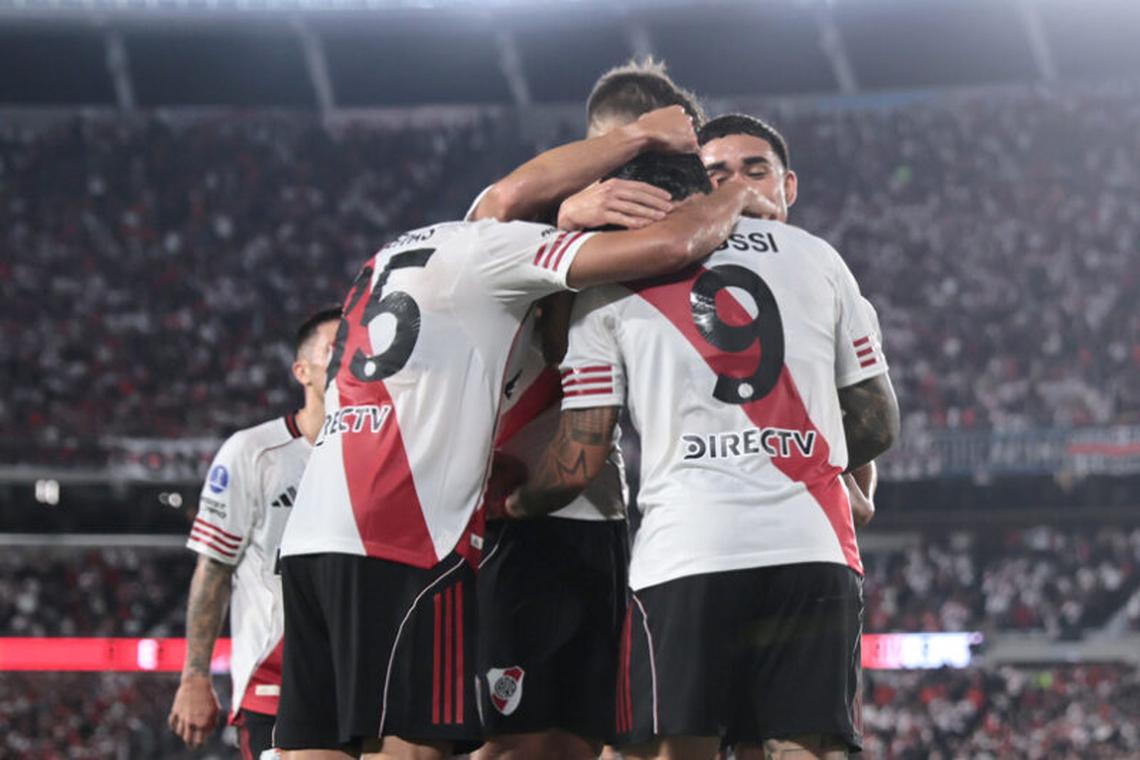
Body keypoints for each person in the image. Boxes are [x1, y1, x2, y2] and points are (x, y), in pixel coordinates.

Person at [273, 161, 774, 759]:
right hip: (429, 534)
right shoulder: (513, 260)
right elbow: (664, 247)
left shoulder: (414, 255)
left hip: (327, 531)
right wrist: (735, 193)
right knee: (447, 745)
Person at [503, 142, 900, 759]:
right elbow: (876, 422)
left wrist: (514, 501)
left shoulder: (611, 279)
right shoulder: (817, 256)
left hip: (689, 551)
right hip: (813, 544)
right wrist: (807, 456)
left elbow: (579, 458)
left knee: (670, 749)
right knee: (802, 748)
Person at [468, 60, 715, 760]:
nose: (638, 186)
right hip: (519, 513)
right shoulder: (511, 236)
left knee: (582, 744)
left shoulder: (672, 244)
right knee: (512, 744)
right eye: (628, 158)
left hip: (604, 518)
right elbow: (501, 210)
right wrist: (563, 217)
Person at [168, 307, 341, 759]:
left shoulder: (381, 451)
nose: (349, 358)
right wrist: (194, 676)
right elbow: (214, 568)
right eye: (334, 348)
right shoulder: (254, 452)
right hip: (275, 680)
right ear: (302, 371)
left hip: (360, 677)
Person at [700, 113, 882, 529]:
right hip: (708, 533)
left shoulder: (832, 280)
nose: (740, 189)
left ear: (789, 187)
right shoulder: (662, 277)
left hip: (807, 535)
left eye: (755, 172)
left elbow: (867, 418)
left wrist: (853, 489)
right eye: (718, 175)